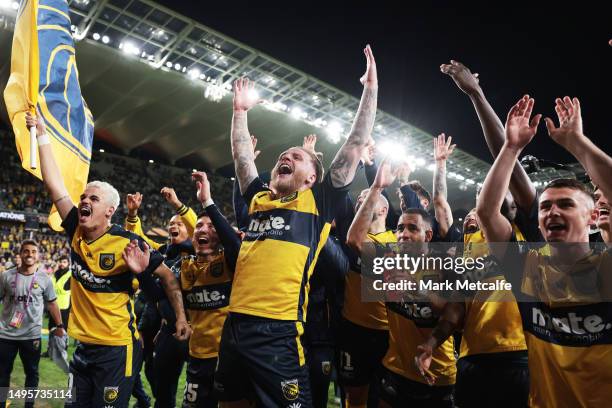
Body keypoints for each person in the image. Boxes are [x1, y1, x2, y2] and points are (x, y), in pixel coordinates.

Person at [214, 45, 377, 407]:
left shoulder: (318, 203)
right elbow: (242, 157)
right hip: (235, 325)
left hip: (279, 331)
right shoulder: (259, 198)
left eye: (297, 156)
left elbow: (353, 145)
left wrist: (370, 89)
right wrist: (239, 112)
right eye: (283, 155)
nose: (286, 156)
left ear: (313, 176)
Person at [26, 110, 191, 407]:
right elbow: (55, 186)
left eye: (93, 199)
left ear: (109, 211)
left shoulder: (130, 242)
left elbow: (168, 278)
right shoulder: (75, 228)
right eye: (84, 197)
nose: (84, 201)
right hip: (82, 349)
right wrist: (41, 132)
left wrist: (179, 316)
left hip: (117, 350)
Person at [477, 94, 612, 407]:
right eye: (546, 206)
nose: (552, 212)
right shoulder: (527, 266)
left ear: (592, 217)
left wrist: (578, 143)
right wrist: (510, 148)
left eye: (565, 205)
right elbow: (486, 213)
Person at [351, 161, 458, 408]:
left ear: (427, 237)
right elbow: (354, 240)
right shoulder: (387, 261)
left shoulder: (442, 265)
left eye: (412, 229)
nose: (403, 234)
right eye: (399, 229)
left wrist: (417, 286)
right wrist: (376, 187)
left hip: (437, 374)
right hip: (395, 369)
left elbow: (454, 313)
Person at [179, 172, 240, 408]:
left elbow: (234, 244)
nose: (203, 229)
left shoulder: (230, 262)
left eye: (211, 226)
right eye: (199, 226)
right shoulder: (185, 267)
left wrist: (207, 201)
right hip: (196, 356)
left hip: (226, 357)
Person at [0, 239, 66, 408]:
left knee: (32, 373)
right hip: (6, 334)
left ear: (38, 255)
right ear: (20, 254)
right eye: (26, 251)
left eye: (33, 252)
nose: (29, 254)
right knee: (2, 373)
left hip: (31, 335)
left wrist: (59, 326)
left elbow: (52, 303)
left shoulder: (44, 279)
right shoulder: (6, 275)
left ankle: (28, 405)